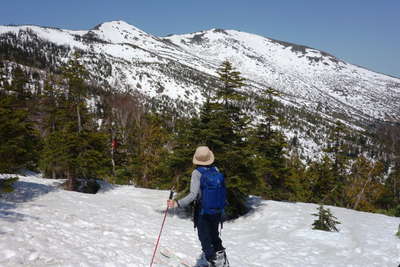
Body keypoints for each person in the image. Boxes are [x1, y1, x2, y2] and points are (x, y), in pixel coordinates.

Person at [168, 146, 227, 267]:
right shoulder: (216, 169)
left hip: (203, 211)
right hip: (216, 210)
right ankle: (221, 257)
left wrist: (177, 203)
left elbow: (193, 194)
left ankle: (213, 261)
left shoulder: (196, 173)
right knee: (214, 234)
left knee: (204, 237)